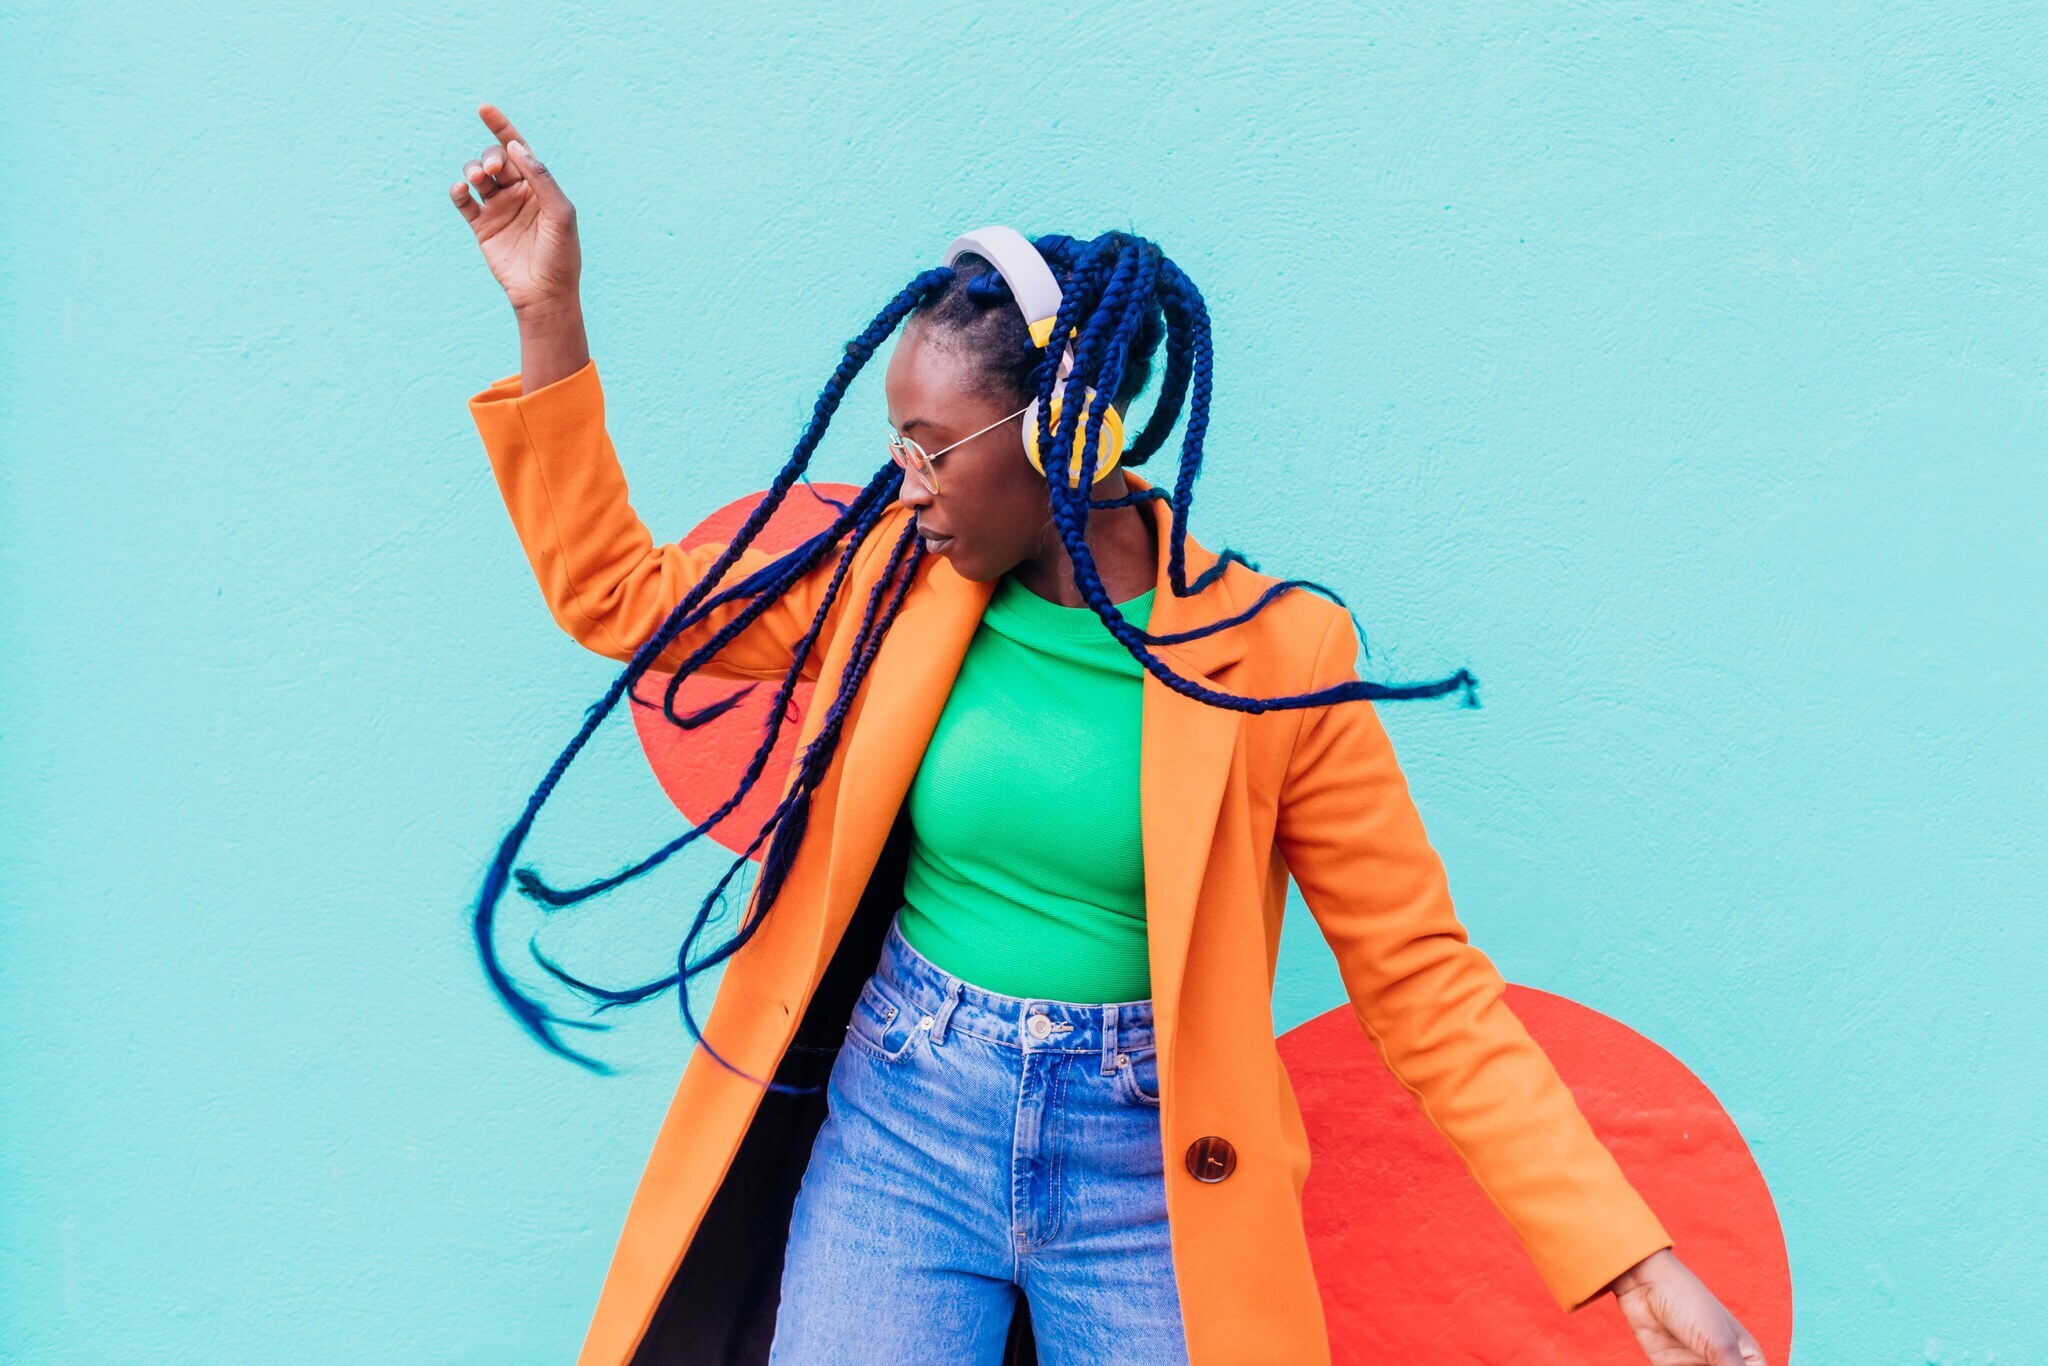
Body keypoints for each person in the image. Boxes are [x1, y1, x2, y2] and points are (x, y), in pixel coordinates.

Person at [450, 102, 1767, 1366]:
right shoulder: (888, 577)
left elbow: (1422, 984)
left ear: (1071, 438)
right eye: (891, 446)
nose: (899, 484)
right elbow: (620, 595)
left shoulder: (1276, 658)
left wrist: (1633, 1260)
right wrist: (548, 315)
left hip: (1153, 1170)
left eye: (929, 447)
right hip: (906, 1118)